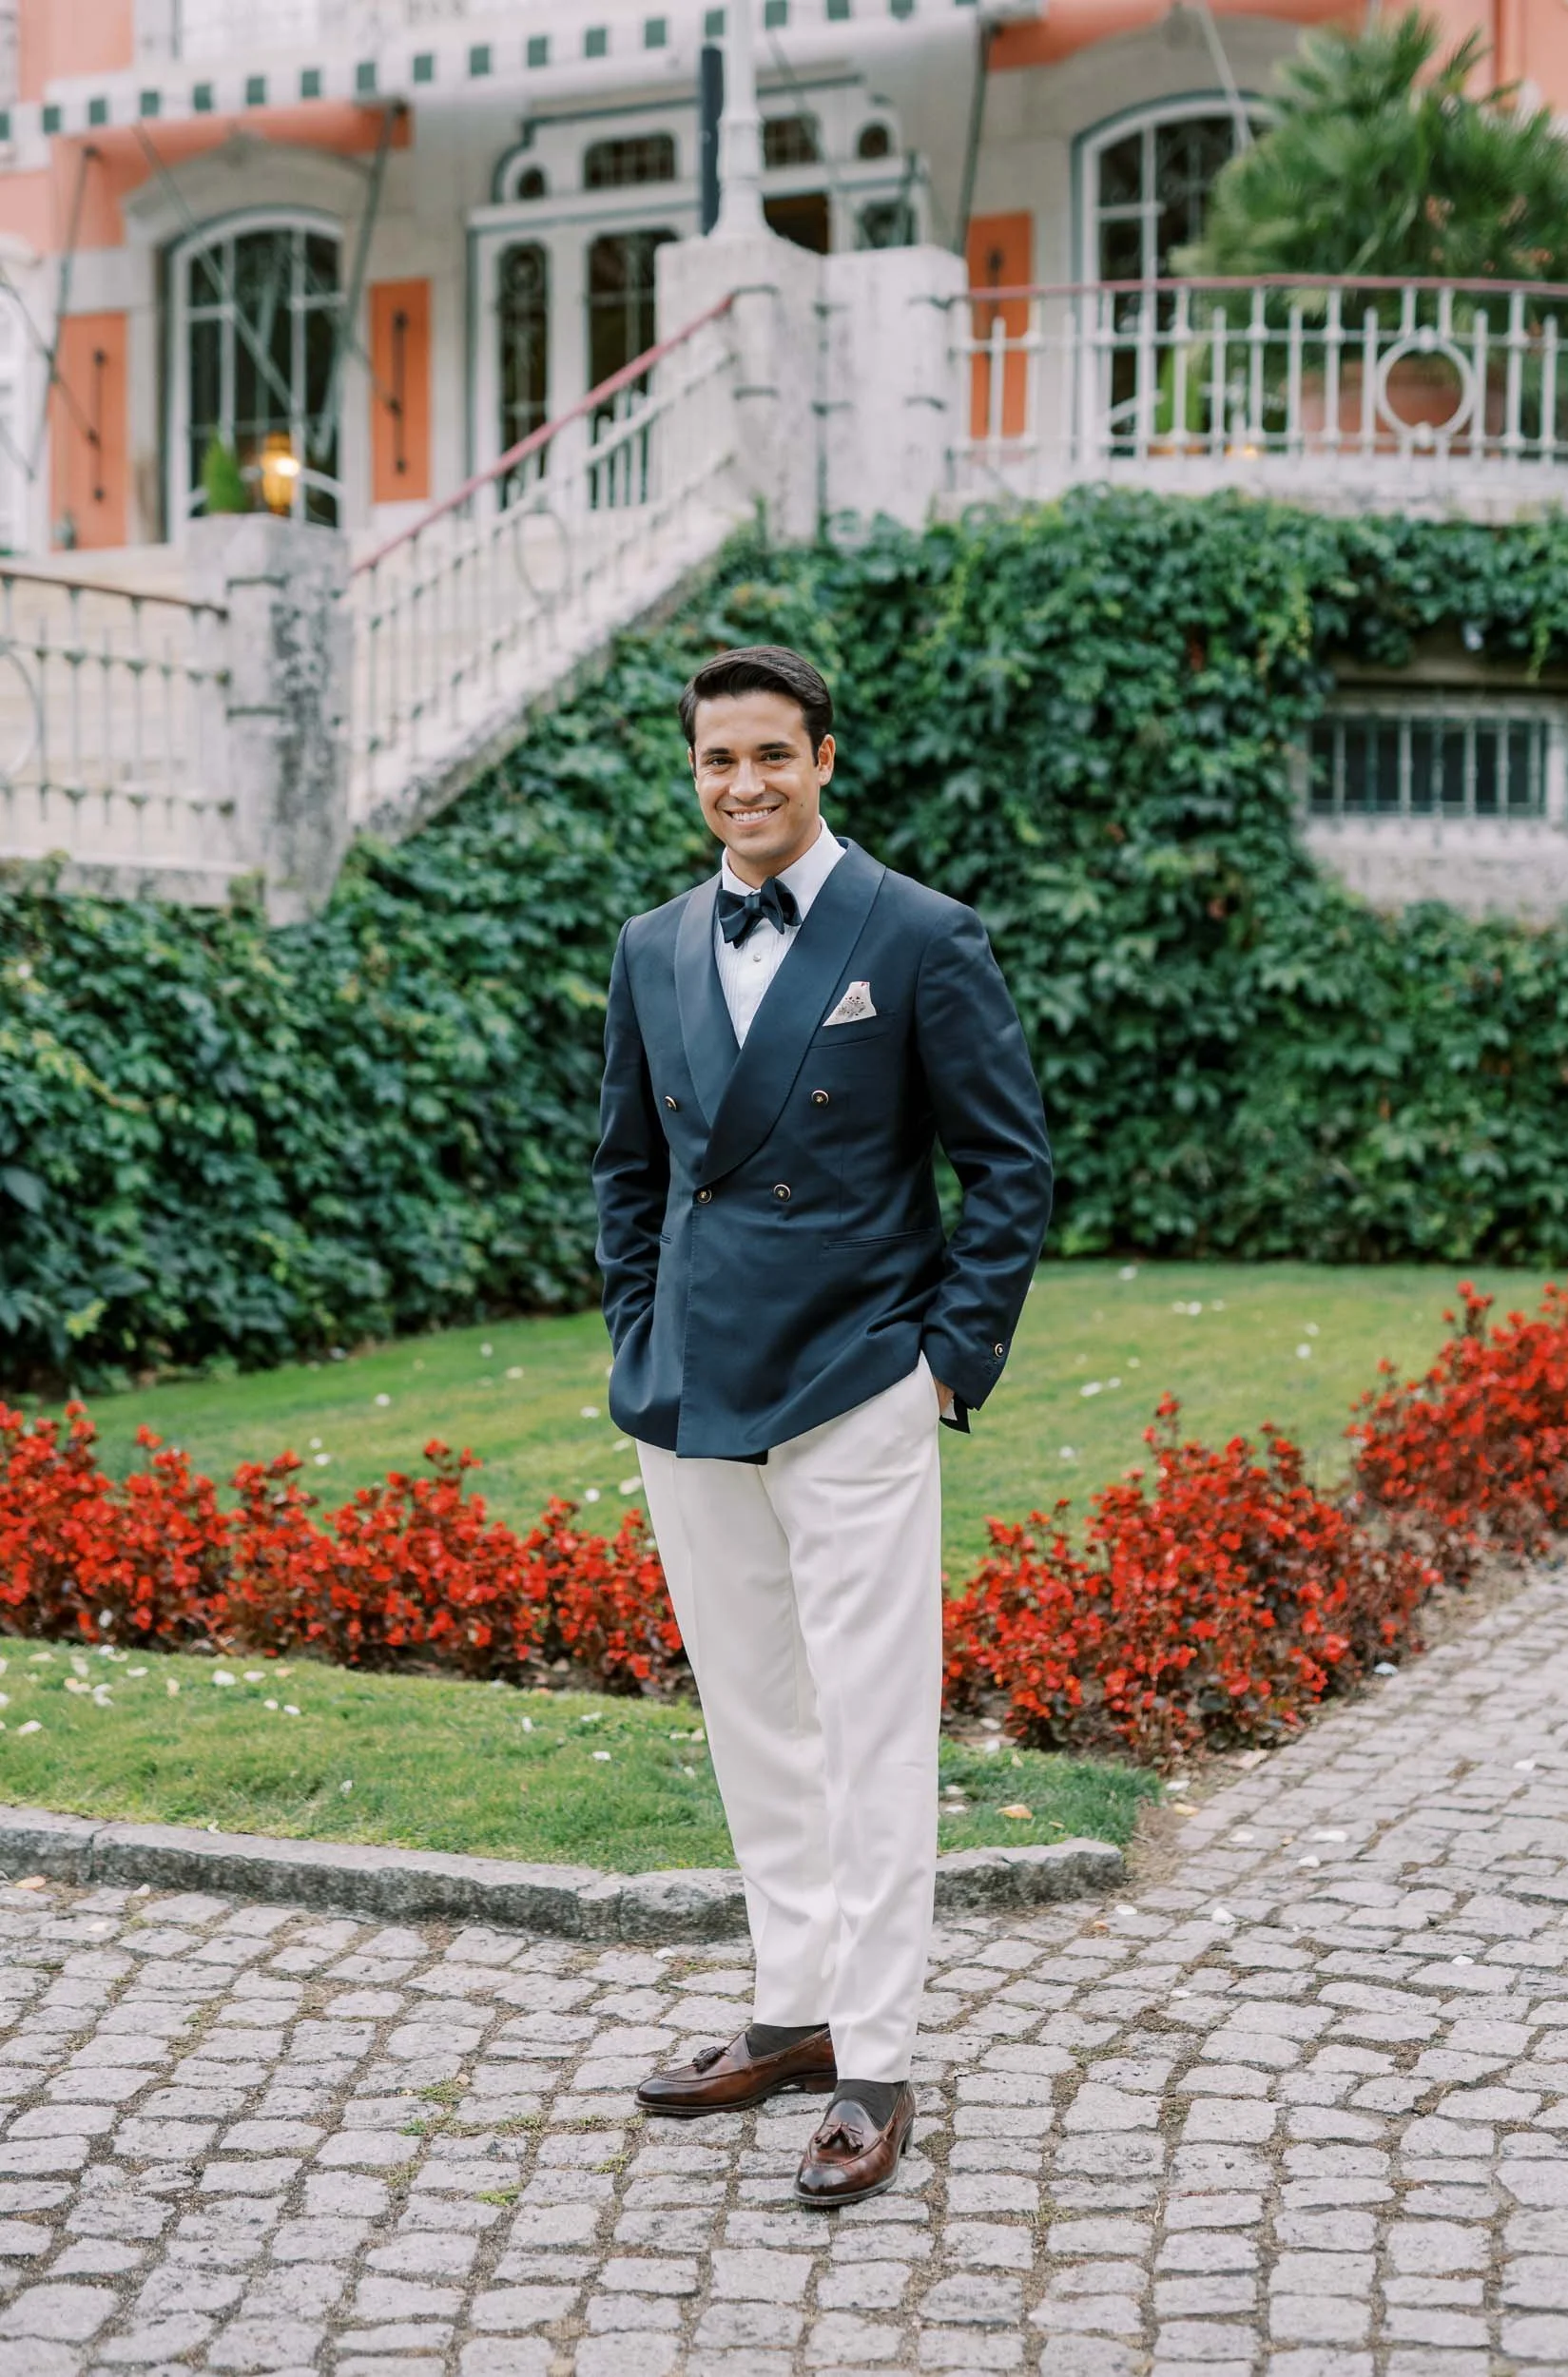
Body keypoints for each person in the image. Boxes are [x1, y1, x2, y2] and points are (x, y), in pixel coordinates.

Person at [592, 644, 1053, 2206]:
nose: (744, 786)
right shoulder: (653, 945)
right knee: (752, 1714)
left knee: (872, 1723)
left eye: (772, 756)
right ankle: (789, 2011)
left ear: (825, 758)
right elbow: (626, 1175)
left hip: (859, 1383)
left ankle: (876, 2056)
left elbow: (1013, 1169)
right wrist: (633, 1331)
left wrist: (943, 1366)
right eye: (719, 761)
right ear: (696, 770)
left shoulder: (920, 934)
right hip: (690, 1394)